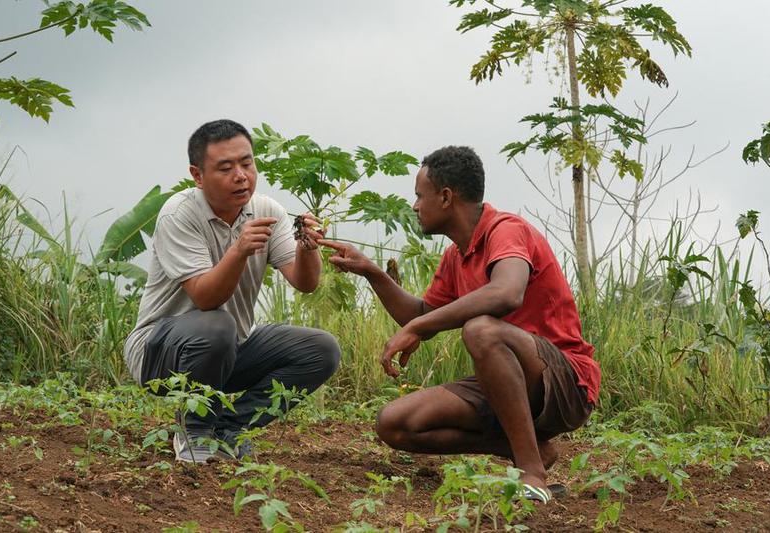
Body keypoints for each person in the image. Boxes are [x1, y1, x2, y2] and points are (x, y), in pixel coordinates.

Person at [320, 146, 599, 503]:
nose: (416, 206)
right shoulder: (456, 255)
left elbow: (506, 293)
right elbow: (420, 312)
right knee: (396, 423)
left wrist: (419, 328)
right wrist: (373, 272)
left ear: (446, 197)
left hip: (564, 383)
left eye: (420, 196)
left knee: (480, 329)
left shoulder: (506, 231)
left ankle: (532, 473)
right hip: (506, 381)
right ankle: (532, 448)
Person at [124, 119, 341, 463]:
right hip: (160, 353)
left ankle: (228, 426)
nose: (241, 175)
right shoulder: (179, 214)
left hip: (228, 348)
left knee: (321, 349)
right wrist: (238, 251)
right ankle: (194, 430)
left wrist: (308, 246)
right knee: (217, 324)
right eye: (225, 168)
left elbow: (305, 282)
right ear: (197, 175)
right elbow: (206, 298)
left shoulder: (267, 210)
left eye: (247, 163)